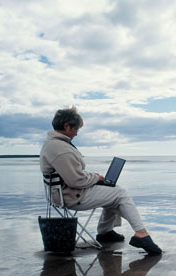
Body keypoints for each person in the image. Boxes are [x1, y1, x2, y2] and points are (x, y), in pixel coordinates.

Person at [40, 106, 162, 255]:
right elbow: (76, 180)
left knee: (112, 192)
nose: (77, 133)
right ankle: (141, 233)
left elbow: (72, 175)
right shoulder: (59, 147)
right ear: (66, 126)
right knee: (120, 193)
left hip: (64, 192)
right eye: (76, 129)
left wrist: (93, 177)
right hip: (70, 196)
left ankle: (105, 232)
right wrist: (95, 178)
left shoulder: (55, 143)